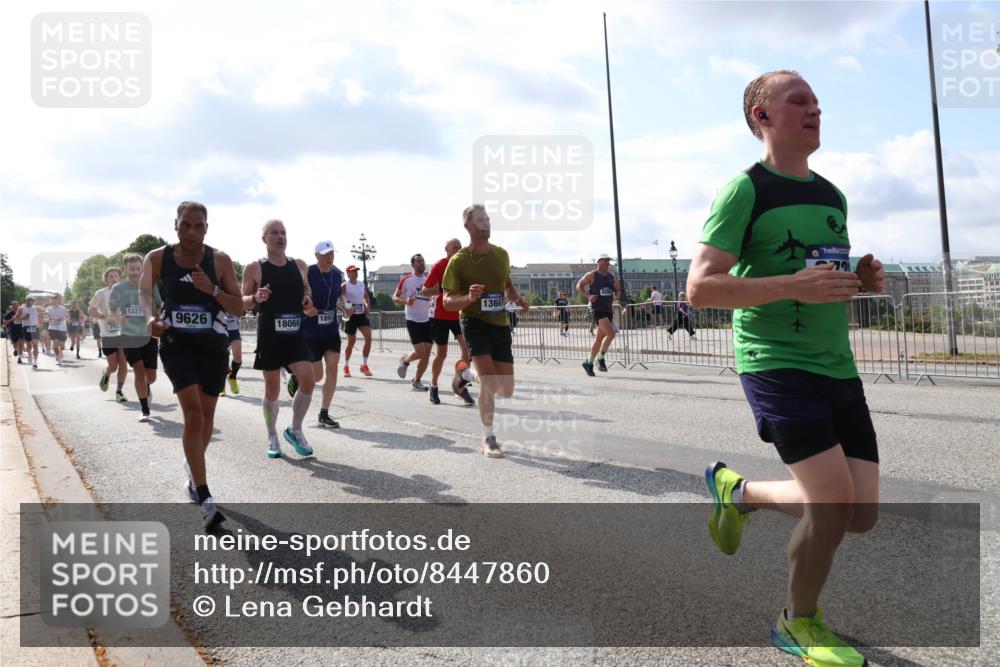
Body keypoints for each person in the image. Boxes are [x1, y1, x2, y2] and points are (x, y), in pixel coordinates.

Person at [687, 70, 886, 667]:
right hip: (775, 362)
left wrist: (860, 283)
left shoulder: (832, 195)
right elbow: (700, 288)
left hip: (837, 366)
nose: (814, 108)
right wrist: (789, 285)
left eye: (817, 101)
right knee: (831, 504)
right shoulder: (744, 190)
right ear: (762, 116)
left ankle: (739, 492)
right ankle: (798, 622)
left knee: (859, 515)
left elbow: (820, 283)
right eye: (798, 100)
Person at [143, 201, 243, 530]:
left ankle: (192, 468)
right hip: (177, 344)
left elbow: (238, 308)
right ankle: (205, 496)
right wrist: (150, 319)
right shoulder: (158, 258)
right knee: (194, 414)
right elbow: (144, 293)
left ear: (206, 228)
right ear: (175, 225)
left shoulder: (220, 260)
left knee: (207, 416)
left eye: (198, 226)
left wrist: (211, 289)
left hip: (213, 345)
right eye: (185, 225)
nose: (191, 232)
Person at [442, 204, 528, 458]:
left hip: (500, 324)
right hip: (473, 322)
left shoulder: (501, 254)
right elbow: (447, 301)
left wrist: (518, 298)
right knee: (489, 382)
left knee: (506, 389)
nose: (487, 223)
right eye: (480, 219)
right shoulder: (458, 261)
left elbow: (507, 284)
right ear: (468, 226)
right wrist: (468, 298)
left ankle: (466, 375)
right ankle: (489, 438)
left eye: (488, 218)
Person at [242, 219, 316, 459]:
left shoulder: (300, 265)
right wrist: (255, 297)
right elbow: (241, 301)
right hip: (270, 334)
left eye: (283, 232)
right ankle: (272, 434)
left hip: (295, 332)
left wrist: (307, 298)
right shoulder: (255, 267)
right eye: (274, 233)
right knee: (272, 387)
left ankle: (295, 429)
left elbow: (307, 289)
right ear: (264, 238)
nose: (280, 236)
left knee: (308, 379)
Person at [421, 238, 474, 406]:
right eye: (454, 247)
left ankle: (459, 385)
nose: (458, 250)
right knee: (442, 354)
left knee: (467, 351)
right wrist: (441, 289)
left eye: (460, 247)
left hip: (457, 314)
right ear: (446, 249)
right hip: (439, 315)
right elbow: (424, 290)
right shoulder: (439, 265)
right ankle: (433, 386)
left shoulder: (463, 266)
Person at [297, 240, 344, 428]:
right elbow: (297, 297)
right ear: (317, 255)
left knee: (333, 368)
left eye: (332, 253)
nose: (329, 257)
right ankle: (296, 376)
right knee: (316, 376)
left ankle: (324, 413)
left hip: (331, 329)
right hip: (311, 331)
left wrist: (345, 307)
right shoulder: (309, 272)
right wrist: (305, 310)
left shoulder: (337, 274)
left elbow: (338, 297)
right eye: (325, 254)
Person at [110, 254, 161, 421]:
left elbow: (159, 305)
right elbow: (112, 311)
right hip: (129, 336)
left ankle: (146, 387)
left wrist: (156, 316)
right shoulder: (118, 288)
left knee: (151, 376)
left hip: (149, 335)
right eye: (131, 269)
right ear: (125, 269)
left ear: (142, 269)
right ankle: (145, 410)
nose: (135, 272)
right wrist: (120, 319)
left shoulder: (150, 284)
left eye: (138, 269)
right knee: (138, 370)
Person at [393, 253, 432, 392]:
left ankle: (417, 381)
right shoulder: (406, 279)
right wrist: (405, 301)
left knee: (427, 352)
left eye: (423, 261)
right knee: (420, 352)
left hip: (426, 319)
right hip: (412, 319)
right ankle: (405, 361)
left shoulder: (428, 280)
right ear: (413, 264)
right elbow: (395, 297)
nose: (422, 263)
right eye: (419, 261)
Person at [577, 254, 620, 375]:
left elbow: (617, 292)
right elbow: (579, 286)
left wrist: (618, 290)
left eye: (608, 261)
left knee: (599, 339)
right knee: (611, 334)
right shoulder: (592, 275)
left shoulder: (612, 277)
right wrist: (588, 296)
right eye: (605, 260)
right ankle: (600, 359)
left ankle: (589, 362)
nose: (607, 263)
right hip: (597, 309)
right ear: (599, 262)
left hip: (608, 309)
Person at [89, 268, 128, 401]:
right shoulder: (101, 293)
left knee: (123, 363)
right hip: (107, 334)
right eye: (111, 276)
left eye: (116, 276)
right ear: (106, 279)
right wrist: (103, 317)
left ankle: (119, 391)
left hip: (123, 333)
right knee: (113, 366)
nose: (114, 278)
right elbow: (90, 310)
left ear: (119, 279)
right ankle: (106, 373)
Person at [341, 265, 373, 377]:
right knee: (351, 342)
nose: (355, 273)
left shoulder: (361, 284)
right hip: (351, 316)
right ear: (348, 273)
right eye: (353, 271)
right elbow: (341, 299)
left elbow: (366, 297)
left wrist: (367, 306)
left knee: (369, 338)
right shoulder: (345, 285)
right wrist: (347, 308)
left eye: (356, 271)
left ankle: (364, 365)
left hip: (361, 315)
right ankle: (346, 366)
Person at [219, 312, 242, 395]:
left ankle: (232, 377)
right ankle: (221, 385)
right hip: (221, 328)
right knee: (223, 358)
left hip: (234, 329)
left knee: (238, 357)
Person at [15, 297, 40, 369]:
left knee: (35, 345)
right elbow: (16, 317)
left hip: (35, 327)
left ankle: (35, 362)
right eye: (29, 300)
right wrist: (24, 318)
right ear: (26, 300)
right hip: (26, 327)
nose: (30, 302)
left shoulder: (35, 308)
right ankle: (29, 354)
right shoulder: (21, 308)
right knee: (29, 345)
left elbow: (43, 311)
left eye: (32, 301)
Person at [46, 294, 69, 366]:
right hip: (53, 328)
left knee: (62, 345)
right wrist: (49, 319)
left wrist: (62, 318)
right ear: (51, 301)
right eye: (53, 300)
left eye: (56, 300)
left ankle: (61, 353)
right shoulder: (48, 309)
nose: (55, 301)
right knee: (55, 343)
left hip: (62, 328)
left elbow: (66, 316)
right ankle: (58, 357)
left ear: (58, 301)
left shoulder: (63, 308)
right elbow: (46, 317)